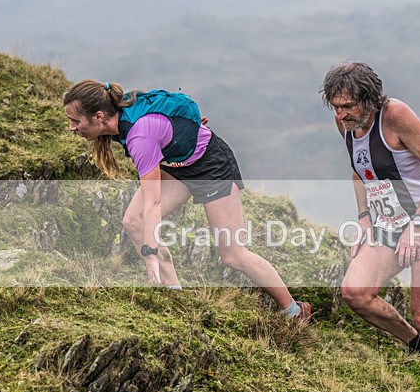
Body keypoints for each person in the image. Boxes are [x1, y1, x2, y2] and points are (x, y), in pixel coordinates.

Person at [63, 80, 310, 318]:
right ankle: (174, 294)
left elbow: (153, 203)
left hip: (212, 168)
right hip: (177, 165)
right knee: (133, 221)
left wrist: (150, 254)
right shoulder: (120, 117)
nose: (71, 128)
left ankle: (293, 312)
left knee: (233, 254)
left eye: (75, 121)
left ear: (99, 116)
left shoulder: (139, 136)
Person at [320, 62, 420, 353]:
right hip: (387, 224)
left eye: (347, 106)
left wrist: (417, 225)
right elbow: (359, 170)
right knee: (356, 293)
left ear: (370, 100)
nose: (340, 114)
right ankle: (414, 345)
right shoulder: (345, 123)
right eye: (335, 106)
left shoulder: (396, 115)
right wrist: (364, 218)